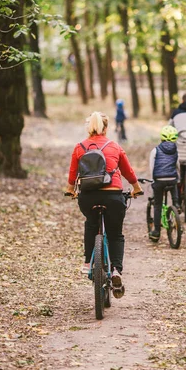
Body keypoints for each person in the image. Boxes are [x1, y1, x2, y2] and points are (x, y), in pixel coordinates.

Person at [66, 112, 143, 298]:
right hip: (113, 197)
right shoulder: (115, 146)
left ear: (88, 128)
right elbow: (128, 172)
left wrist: (70, 190)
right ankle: (116, 270)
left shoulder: (79, 147)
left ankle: (87, 263)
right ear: (106, 128)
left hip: (88, 197)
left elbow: (72, 174)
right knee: (115, 233)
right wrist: (136, 188)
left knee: (91, 224)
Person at [148, 125, 180, 242]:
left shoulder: (155, 150)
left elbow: (152, 167)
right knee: (174, 183)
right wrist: (178, 177)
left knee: (157, 205)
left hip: (159, 180)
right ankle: (177, 204)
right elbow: (178, 165)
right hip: (171, 179)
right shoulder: (176, 150)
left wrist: (152, 180)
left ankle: (156, 232)